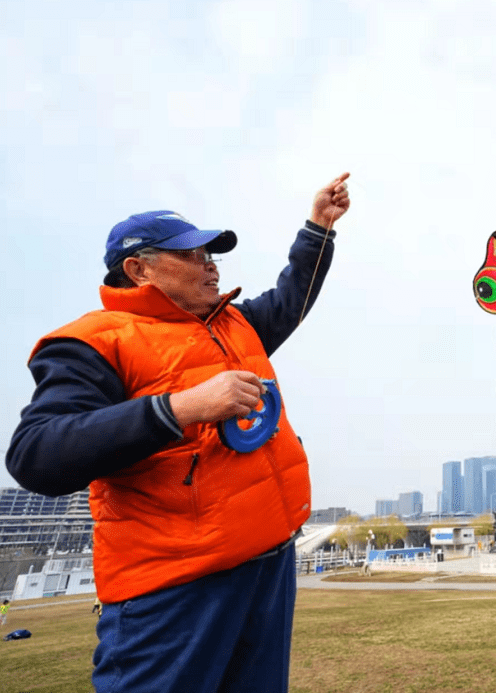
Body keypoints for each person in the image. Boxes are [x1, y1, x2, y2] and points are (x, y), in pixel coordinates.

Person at [6, 173, 350, 693]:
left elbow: (291, 299)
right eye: (191, 255)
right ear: (138, 268)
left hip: (268, 566)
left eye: (211, 254)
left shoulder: (232, 323)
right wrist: (181, 407)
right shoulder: (93, 342)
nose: (210, 264)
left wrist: (318, 228)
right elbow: (36, 455)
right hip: (174, 589)